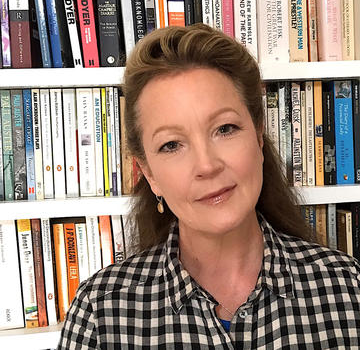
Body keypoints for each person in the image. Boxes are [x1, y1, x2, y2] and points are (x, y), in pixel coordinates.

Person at [57, 24, 360, 349]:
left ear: (258, 136)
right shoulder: (101, 313)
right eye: (172, 145)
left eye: (225, 128)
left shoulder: (348, 288)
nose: (207, 165)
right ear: (149, 174)